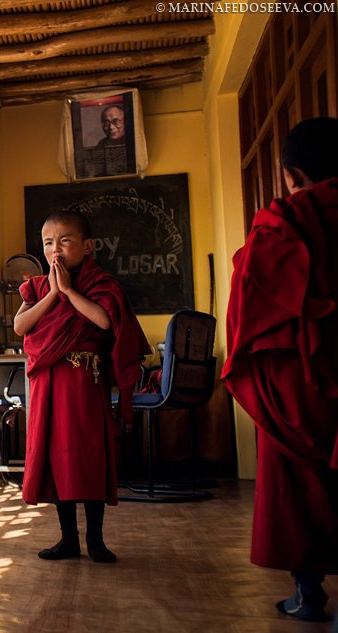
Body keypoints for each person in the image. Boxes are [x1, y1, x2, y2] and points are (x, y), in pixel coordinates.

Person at [222, 117, 338, 623]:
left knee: (298, 485)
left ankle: (307, 592)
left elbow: (249, 307)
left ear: (293, 176)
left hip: (300, 384)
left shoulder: (282, 222)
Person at [13, 210, 148, 563]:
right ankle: (68, 538)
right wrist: (53, 295)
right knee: (57, 460)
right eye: (48, 243)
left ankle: (97, 540)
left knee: (87, 457)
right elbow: (20, 326)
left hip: (85, 382)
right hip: (49, 382)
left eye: (65, 241)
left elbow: (104, 321)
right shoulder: (38, 286)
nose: (55, 250)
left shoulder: (101, 283)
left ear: (87, 246)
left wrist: (69, 292)